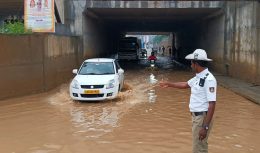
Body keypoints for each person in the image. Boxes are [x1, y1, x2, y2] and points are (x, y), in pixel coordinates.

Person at [159, 49, 217, 153]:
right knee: (199, 147)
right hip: (197, 118)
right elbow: (186, 84)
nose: (190, 65)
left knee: (199, 149)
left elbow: (212, 104)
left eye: (191, 63)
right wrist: (169, 84)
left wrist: (205, 126)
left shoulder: (209, 79)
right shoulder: (199, 77)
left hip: (202, 119)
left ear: (196, 64)